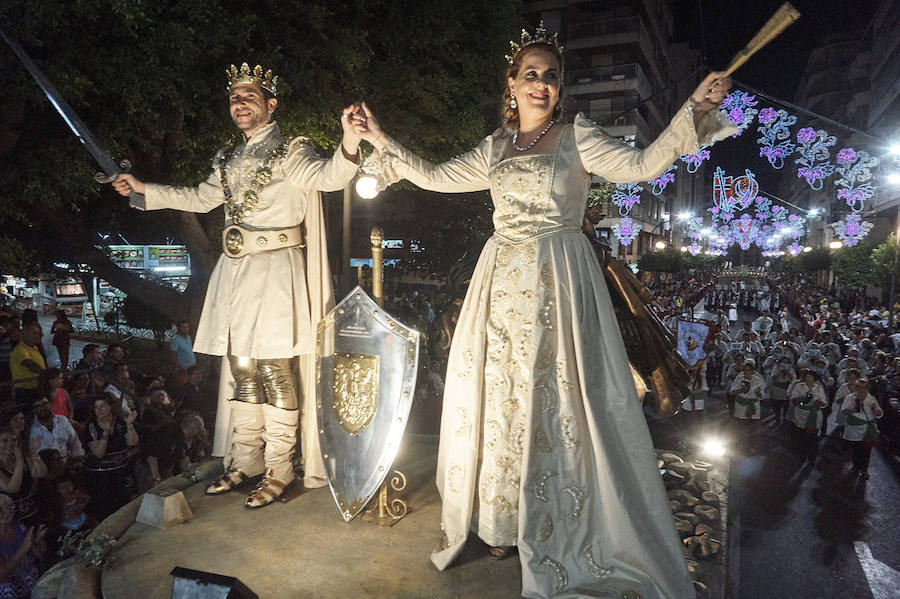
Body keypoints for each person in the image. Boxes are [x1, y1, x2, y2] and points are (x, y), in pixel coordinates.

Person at [357, 23, 736, 598]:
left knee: (556, 396)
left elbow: (641, 166)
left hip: (560, 283)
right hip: (499, 285)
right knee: (500, 398)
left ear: (561, 89)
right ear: (510, 84)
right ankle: (500, 520)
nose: (541, 85)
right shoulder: (493, 148)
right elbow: (433, 176)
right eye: (530, 75)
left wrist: (694, 108)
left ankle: (556, 518)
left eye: (551, 77)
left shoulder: (578, 136)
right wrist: (382, 141)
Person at [112, 62, 365, 508]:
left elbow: (328, 177)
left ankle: (281, 467)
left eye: (249, 97)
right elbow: (198, 197)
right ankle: (245, 460)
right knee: (243, 365)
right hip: (235, 272)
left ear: (270, 104)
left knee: (274, 367)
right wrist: (142, 189)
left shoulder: (292, 150)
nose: (240, 104)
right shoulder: (227, 158)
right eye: (234, 98)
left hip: (276, 270)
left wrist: (349, 143)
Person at [0, 492, 45, 598]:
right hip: (9, 594)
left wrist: (38, 544)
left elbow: (38, 555)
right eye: (0, 510)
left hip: (32, 586)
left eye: (10, 507)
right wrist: (25, 547)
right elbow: (2, 575)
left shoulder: (20, 527)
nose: (7, 512)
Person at [841, 378, 884, 480]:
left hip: (866, 429)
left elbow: (879, 413)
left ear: (867, 388)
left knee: (866, 450)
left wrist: (875, 410)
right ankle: (856, 467)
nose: (861, 389)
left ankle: (864, 469)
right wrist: (853, 409)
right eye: (858, 387)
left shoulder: (871, 399)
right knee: (855, 449)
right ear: (855, 388)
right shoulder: (850, 398)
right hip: (854, 428)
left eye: (864, 387)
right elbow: (844, 411)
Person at [29, 394, 84, 465]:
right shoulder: (31, 428)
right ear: (34, 410)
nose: (43, 408)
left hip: (66, 463)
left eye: (45, 403)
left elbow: (74, 441)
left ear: (51, 403)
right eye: (38, 406)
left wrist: (78, 459)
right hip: (45, 467)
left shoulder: (62, 420)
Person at [789, 370, 828, 461]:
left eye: (810, 377)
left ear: (814, 379)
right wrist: (802, 399)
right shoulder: (799, 386)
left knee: (813, 436)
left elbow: (824, 402)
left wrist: (818, 403)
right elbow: (793, 399)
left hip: (814, 415)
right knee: (801, 434)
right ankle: (802, 454)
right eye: (806, 376)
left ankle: (812, 456)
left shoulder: (819, 388)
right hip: (801, 414)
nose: (808, 378)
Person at [9, 322, 45, 407]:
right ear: (24, 335)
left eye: (39, 333)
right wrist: (47, 374)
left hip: (34, 388)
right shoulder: (20, 350)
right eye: (34, 333)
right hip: (25, 391)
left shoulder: (34, 348)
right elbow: (31, 365)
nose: (38, 336)